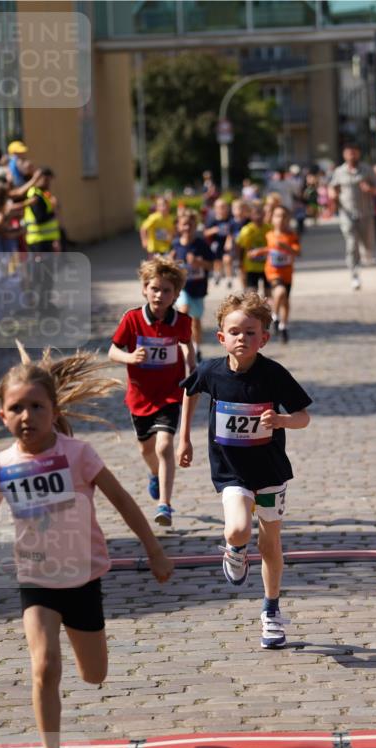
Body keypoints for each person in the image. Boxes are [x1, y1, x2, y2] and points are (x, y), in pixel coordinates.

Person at [0, 346, 174, 748]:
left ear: (54, 410)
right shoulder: (2, 466)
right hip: (37, 578)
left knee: (94, 674)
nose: (26, 416)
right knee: (44, 666)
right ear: (1, 415)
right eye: (16, 408)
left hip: (82, 578)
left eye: (36, 406)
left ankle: (86, 670)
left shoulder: (79, 455)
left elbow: (123, 501)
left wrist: (154, 551)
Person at [176, 291, 311, 649]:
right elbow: (189, 392)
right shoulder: (210, 371)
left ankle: (271, 610)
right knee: (237, 529)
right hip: (231, 471)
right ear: (221, 337)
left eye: (251, 333)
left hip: (271, 471)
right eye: (234, 332)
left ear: (264, 338)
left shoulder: (274, 374)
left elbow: (303, 417)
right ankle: (234, 550)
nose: (242, 338)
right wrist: (184, 438)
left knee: (270, 543)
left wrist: (282, 419)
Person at [108, 258, 194, 527]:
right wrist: (130, 358)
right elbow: (112, 351)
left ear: (176, 295)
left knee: (164, 445)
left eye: (167, 290)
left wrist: (192, 365)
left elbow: (187, 344)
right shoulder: (132, 319)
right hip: (140, 395)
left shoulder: (181, 321)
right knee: (147, 449)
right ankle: (155, 474)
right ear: (144, 289)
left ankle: (164, 505)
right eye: (155, 288)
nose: (160, 295)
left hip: (170, 393)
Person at [329, 140, 376, 290]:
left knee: (367, 244)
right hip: (347, 214)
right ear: (344, 155)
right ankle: (354, 274)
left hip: (365, 213)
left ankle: (365, 255)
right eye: (348, 152)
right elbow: (332, 188)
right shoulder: (339, 172)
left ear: (358, 153)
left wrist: (369, 189)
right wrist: (333, 195)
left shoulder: (367, 170)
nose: (351, 155)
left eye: (354, 152)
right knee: (351, 243)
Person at [170, 209, 214, 362]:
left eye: (190, 224)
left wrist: (198, 262)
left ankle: (197, 348)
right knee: (184, 311)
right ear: (178, 227)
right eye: (184, 224)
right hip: (182, 288)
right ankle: (182, 346)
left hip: (199, 289)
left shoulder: (201, 244)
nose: (187, 227)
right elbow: (170, 265)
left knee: (195, 321)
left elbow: (211, 266)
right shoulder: (175, 244)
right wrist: (170, 262)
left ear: (195, 226)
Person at [261, 203, 301, 343]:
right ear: (272, 218)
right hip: (272, 272)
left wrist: (286, 247)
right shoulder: (269, 235)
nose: (281, 219)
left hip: (287, 274)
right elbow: (269, 249)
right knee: (280, 292)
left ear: (288, 219)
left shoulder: (291, 236)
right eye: (278, 216)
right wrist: (258, 252)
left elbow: (297, 252)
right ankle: (275, 317)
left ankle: (283, 326)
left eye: (284, 216)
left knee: (286, 302)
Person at [235, 200, 270, 297]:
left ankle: (268, 311)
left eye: (260, 213)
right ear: (251, 215)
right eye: (255, 214)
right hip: (251, 267)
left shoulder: (269, 228)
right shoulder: (247, 230)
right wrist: (240, 262)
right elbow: (240, 246)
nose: (258, 217)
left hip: (267, 266)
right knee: (251, 294)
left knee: (268, 294)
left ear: (264, 214)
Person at [203, 197, 232, 286]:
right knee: (217, 259)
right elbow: (206, 232)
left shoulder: (230, 219)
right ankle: (217, 274)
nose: (222, 209)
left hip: (227, 242)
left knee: (227, 259)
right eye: (219, 207)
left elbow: (233, 231)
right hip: (217, 242)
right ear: (215, 209)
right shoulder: (212, 220)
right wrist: (214, 230)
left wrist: (229, 239)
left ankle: (228, 278)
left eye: (224, 207)